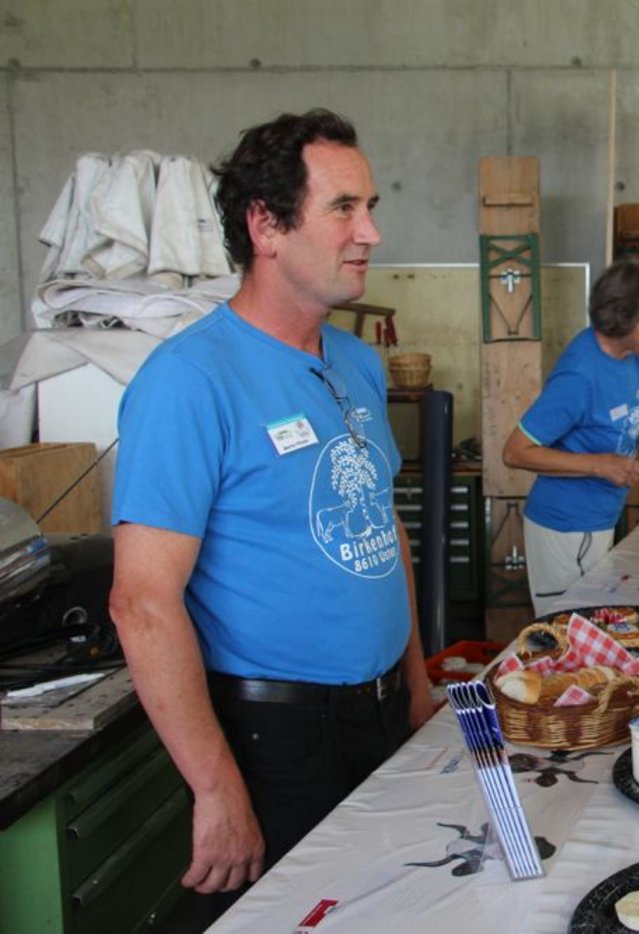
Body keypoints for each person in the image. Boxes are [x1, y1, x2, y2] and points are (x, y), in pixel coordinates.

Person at [108, 109, 435, 913]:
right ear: (266, 226)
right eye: (344, 208)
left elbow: (380, 526)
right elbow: (142, 600)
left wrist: (418, 683)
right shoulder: (190, 380)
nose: (371, 232)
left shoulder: (356, 363)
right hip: (277, 739)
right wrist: (217, 793)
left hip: (383, 714)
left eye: (372, 206)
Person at [504, 259, 639, 613]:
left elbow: (604, 419)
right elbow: (515, 452)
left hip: (599, 518)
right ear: (621, 317)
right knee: (567, 633)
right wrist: (600, 465)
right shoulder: (579, 376)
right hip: (565, 526)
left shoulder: (631, 355)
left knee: (593, 624)